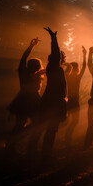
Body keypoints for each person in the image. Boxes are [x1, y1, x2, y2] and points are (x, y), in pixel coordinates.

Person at [34, 27, 67, 159]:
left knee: (46, 128)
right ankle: (43, 154)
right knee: (49, 129)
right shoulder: (54, 66)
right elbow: (55, 53)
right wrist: (53, 38)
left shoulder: (54, 67)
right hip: (53, 102)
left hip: (52, 100)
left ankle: (42, 153)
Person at [6, 38, 45, 153]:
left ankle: (15, 145)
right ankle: (10, 146)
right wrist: (31, 46)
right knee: (21, 125)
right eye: (37, 65)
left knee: (33, 124)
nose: (38, 66)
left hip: (30, 102)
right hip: (25, 102)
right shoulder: (24, 73)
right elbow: (23, 58)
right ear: (32, 66)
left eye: (39, 65)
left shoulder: (38, 75)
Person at [64, 46, 87, 147]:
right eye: (77, 68)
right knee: (74, 121)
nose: (78, 69)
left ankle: (67, 137)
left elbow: (84, 67)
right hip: (73, 101)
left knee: (69, 120)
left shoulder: (67, 76)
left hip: (68, 100)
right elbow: (84, 67)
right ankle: (67, 137)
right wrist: (85, 54)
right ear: (76, 69)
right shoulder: (76, 77)